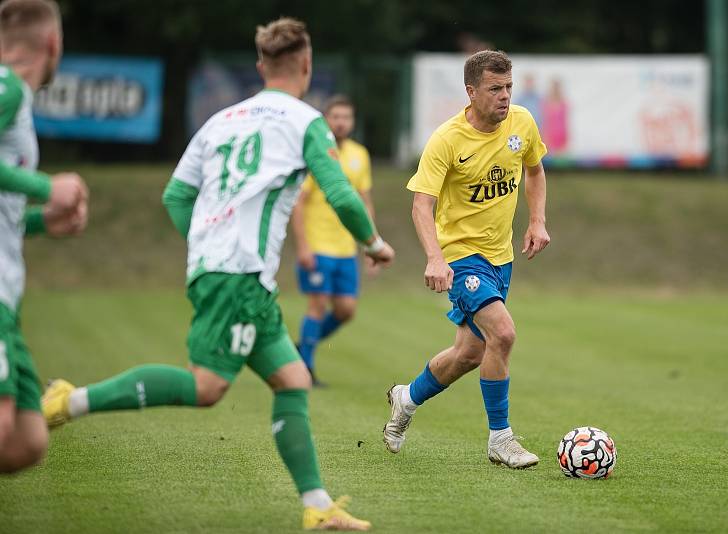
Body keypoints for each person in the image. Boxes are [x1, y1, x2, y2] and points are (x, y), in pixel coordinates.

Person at [42, 17, 393, 530]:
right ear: (307, 65)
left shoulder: (220, 120)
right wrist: (375, 244)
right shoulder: (305, 121)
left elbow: (175, 194)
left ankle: (318, 508)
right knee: (207, 386)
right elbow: (340, 192)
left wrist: (206, 246)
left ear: (259, 66)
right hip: (238, 275)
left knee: (293, 378)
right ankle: (68, 400)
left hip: (234, 272)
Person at [382, 50, 550, 469]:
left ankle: (406, 398)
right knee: (504, 335)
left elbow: (534, 170)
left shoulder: (523, 123)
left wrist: (538, 221)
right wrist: (436, 259)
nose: (505, 96)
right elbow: (421, 205)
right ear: (471, 91)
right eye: (495, 88)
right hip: (461, 257)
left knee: (470, 354)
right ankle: (501, 439)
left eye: (509, 86)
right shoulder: (447, 139)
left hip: (501, 257)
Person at [0, 0, 88, 474]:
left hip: (7, 297)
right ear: (53, 44)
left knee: (25, 439)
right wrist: (46, 187)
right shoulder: (7, 86)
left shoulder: (15, 98)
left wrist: (39, 220)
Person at [292, 94, 377, 386]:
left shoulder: (359, 154)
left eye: (347, 117)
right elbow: (298, 202)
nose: (341, 123)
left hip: (345, 248)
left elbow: (365, 202)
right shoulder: (317, 152)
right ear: (326, 120)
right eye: (336, 117)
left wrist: (371, 243)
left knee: (345, 310)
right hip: (318, 245)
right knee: (316, 305)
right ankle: (305, 368)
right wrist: (302, 245)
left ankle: (303, 346)